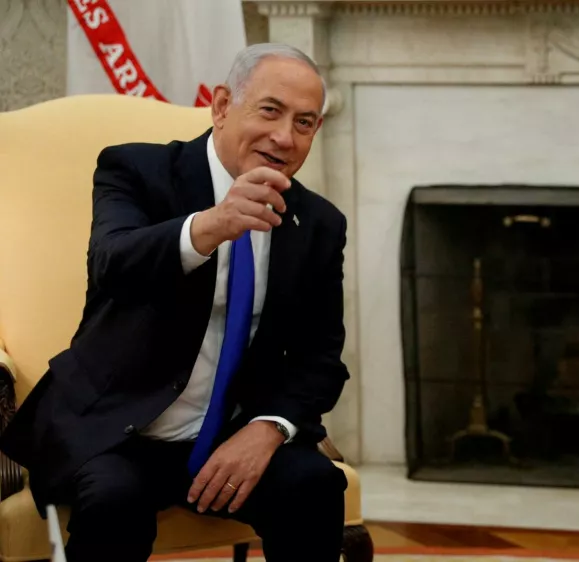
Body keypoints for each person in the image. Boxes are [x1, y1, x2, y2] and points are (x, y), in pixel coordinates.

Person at [0, 43, 349, 561]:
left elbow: (320, 361)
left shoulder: (317, 223)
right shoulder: (136, 169)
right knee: (113, 503)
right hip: (117, 431)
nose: (284, 136)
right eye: (270, 111)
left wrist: (267, 429)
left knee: (314, 486)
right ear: (222, 105)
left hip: (232, 434)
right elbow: (112, 263)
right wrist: (211, 225)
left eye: (304, 123)